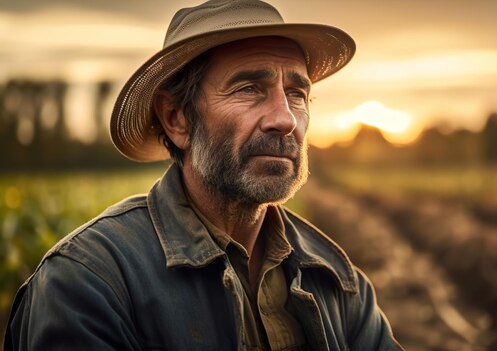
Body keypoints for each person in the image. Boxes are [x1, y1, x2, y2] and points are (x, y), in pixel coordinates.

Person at [5, 0, 403, 350]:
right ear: (177, 119)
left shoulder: (339, 281)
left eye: (297, 93)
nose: (285, 119)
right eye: (249, 88)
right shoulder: (89, 281)